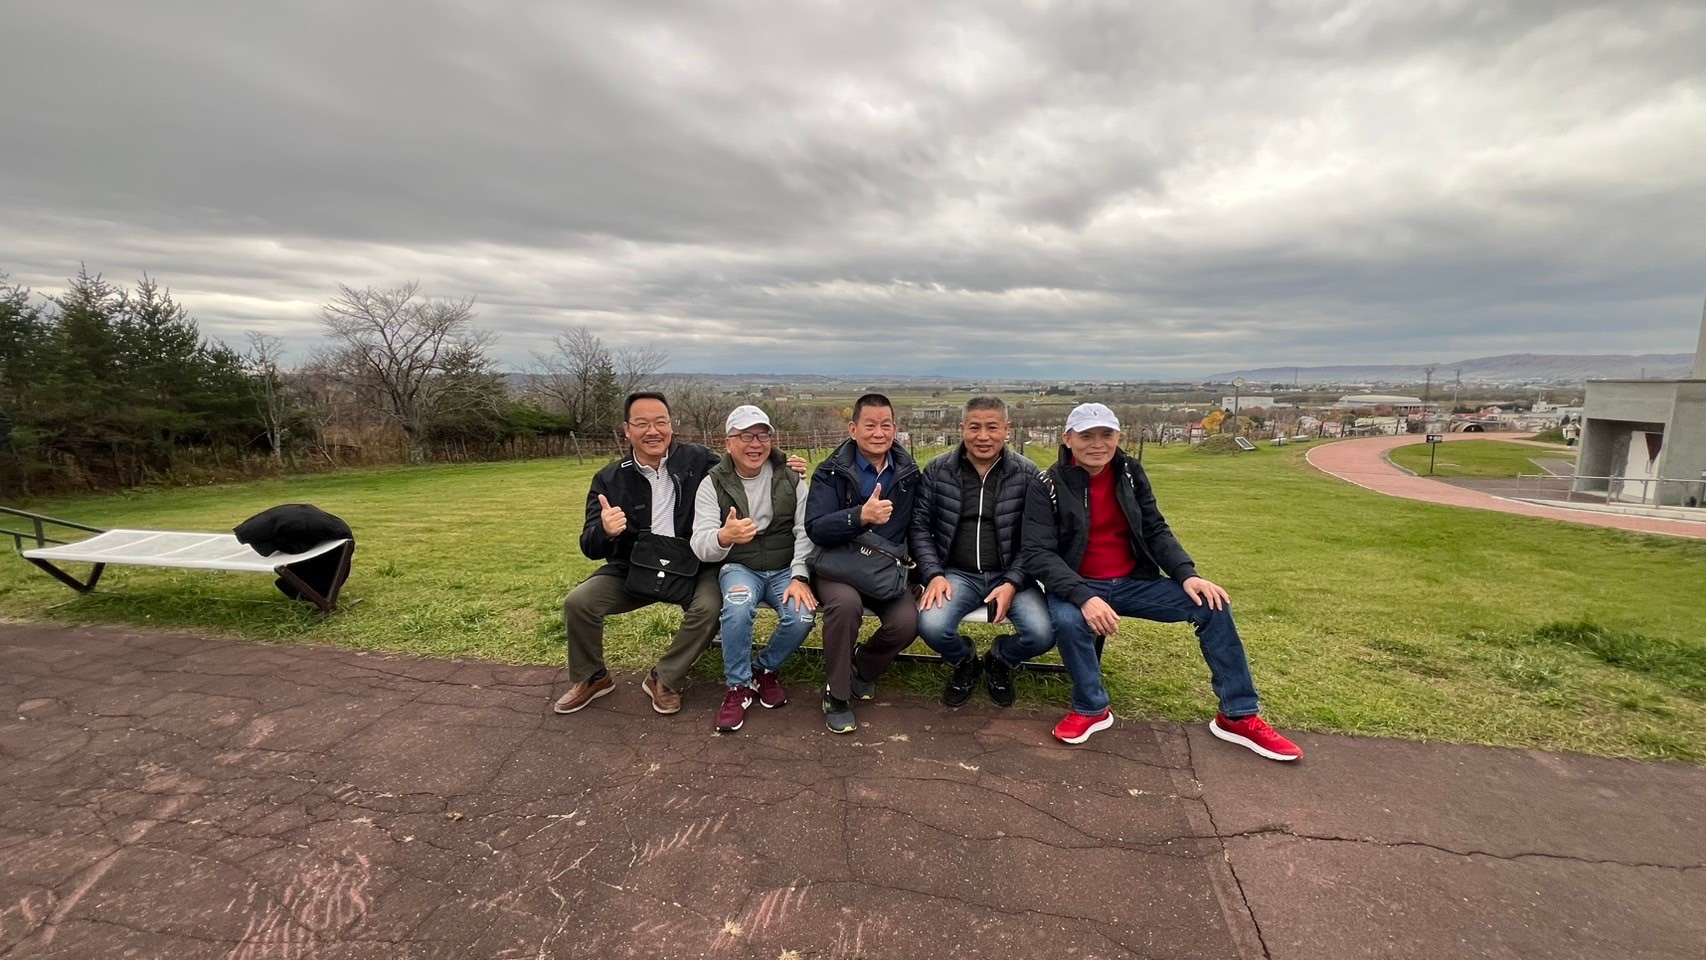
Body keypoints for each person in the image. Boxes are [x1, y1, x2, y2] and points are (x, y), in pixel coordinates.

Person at [1021, 403, 1302, 760]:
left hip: (1133, 582)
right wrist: (1083, 597)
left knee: (1213, 606)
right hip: (1079, 585)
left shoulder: (1130, 473)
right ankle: (1091, 707)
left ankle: (1237, 714)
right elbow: (1038, 553)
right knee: (1067, 619)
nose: (1098, 444)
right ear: (1068, 438)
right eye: (1086, 435)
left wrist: (1188, 575)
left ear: (1118, 436)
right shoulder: (1047, 483)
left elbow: (1154, 528)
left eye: (1106, 434)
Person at [554, 392, 804, 717]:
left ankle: (665, 677)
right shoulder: (609, 479)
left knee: (710, 606)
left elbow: (743, 458)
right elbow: (589, 546)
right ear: (627, 429)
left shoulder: (698, 460)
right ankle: (593, 677)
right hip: (635, 566)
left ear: (671, 425)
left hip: (692, 565)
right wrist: (605, 530)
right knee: (579, 602)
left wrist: (783, 463)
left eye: (661, 422)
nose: (653, 431)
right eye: (642, 423)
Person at [911, 396, 1052, 707]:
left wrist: (1013, 582)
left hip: (1011, 575)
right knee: (932, 626)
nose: (983, 436)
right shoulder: (937, 470)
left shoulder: (1027, 474)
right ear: (962, 428)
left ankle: (1000, 659)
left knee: (1042, 633)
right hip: (956, 574)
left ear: (1007, 429)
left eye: (992, 427)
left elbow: (1035, 538)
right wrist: (933, 574)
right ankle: (966, 661)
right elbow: (919, 527)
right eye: (975, 427)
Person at [690, 405, 816, 734]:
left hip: (784, 567)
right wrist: (724, 536)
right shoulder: (712, 484)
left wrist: (799, 575)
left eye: (762, 435)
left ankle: (763, 670)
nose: (756, 444)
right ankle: (738, 686)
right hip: (739, 567)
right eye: (746, 436)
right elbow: (700, 542)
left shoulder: (791, 477)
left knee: (802, 615)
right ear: (728, 442)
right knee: (737, 606)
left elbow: (805, 530)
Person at [805, 393, 922, 734]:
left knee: (906, 622)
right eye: (870, 425)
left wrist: (924, 573)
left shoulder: (909, 473)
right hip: (839, 566)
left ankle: (863, 665)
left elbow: (918, 528)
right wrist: (859, 516)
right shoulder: (830, 471)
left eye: (886, 425)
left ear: (895, 429)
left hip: (885, 568)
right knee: (845, 606)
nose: (878, 433)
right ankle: (837, 695)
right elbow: (816, 527)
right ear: (853, 429)